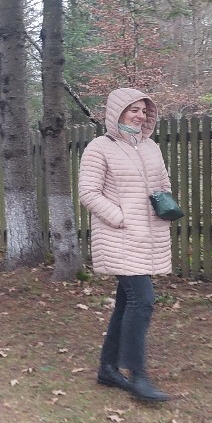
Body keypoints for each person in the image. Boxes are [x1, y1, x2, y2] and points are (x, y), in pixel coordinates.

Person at [78, 88, 174, 403]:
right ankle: (138, 375)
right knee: (142, 300)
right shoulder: (99, 147)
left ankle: (108, 369)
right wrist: (121, 218)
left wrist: (165, 205)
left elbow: (163, 184)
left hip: (148, 236)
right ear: (117, 111)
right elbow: (89, 192)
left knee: (126, 303)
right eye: (133, 109)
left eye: (144, 110)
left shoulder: (151, 147)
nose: (140, 116)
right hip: (118, 237)